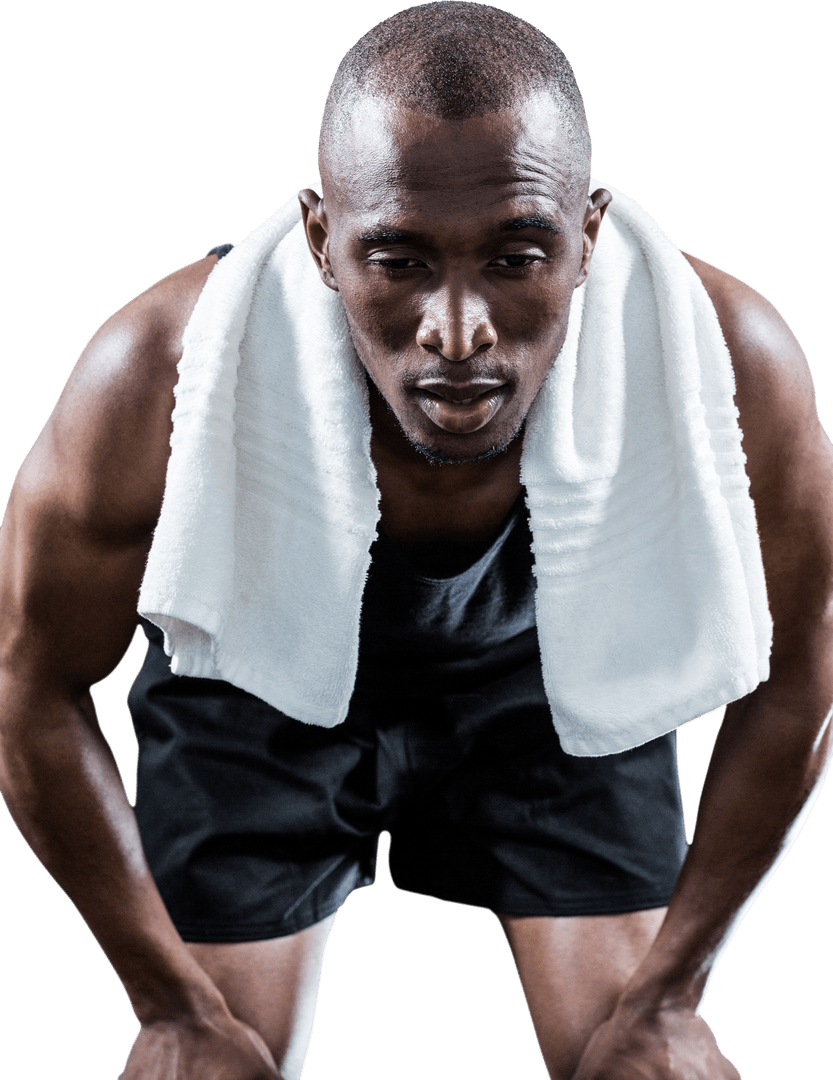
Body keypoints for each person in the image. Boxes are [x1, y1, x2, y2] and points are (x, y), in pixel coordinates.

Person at [0, 3, 830, 1079]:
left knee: (644, 1065)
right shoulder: (154, 373)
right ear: (319, 241)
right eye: (396, 261)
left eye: (515, 255)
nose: (455, 328)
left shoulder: (728, 362)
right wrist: (167, 1008)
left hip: (553, 672)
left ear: (585, 238)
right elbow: (27, 681)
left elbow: (806, 666)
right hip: (258, 671)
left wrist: (673, 993)